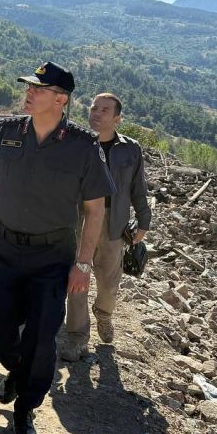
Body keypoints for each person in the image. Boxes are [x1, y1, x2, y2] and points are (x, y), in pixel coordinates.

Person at [0, 62, 114, 434]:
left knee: (42, 336)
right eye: (29, 87)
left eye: (39, 88)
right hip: (3, 248)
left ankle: (25, 409)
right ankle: (17, 371)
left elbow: (95, 209)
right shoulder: (7, 132)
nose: (29, 93)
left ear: (61, 99)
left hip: (52, 257)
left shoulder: (83, 146)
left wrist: (83, 264)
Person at [59, 93, 151, 360]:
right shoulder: (75, 143)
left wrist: (144, 221)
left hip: (114, 222)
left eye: (104, 110)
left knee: (109, 282)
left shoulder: (130, 149)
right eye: (94, 108)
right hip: (79, 219)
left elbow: (138, 188)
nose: (97, 113)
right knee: (78, 277)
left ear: (117, 118)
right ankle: (77, 336)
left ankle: (104, 313)